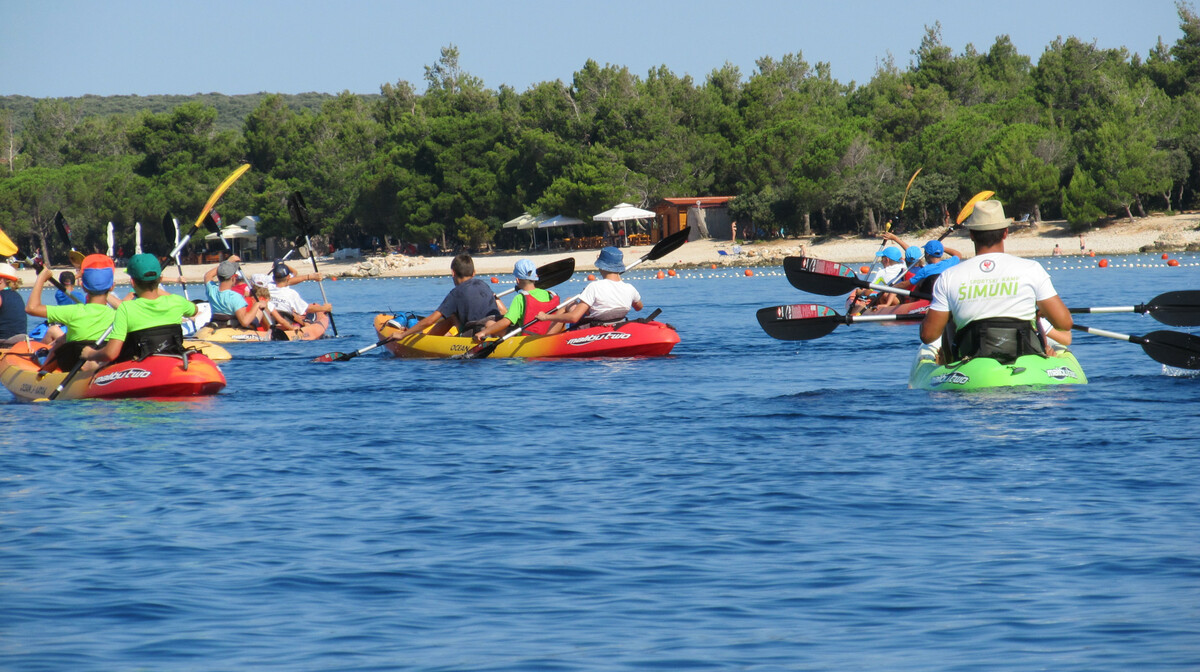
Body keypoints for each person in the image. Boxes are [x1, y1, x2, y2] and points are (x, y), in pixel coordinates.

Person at [919, 200, 1072, 363]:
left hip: (971, 360)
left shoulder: (949, 276)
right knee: (1035, 318)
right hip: (1025, 356)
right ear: (1005, 232)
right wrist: (1040, 314)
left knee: (949, 319)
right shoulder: (1031, 269)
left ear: (971, 235)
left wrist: (929, 317)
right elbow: (1064, 323)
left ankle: (947, 363)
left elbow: (928, 336)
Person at [85, 254, 199, 369]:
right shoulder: (176, 301)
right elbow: (194, 310)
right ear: (159, 279)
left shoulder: (126, 308)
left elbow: (111, 353)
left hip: (141, 366)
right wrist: (161, 292)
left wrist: (89, 353)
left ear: (132, 282)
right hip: (173, 360)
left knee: (92, 364)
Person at [25, 255, 116, 371]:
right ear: (112, 287)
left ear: (83, 286)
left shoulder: (73, 311)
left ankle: (44, 369)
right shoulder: (118, 315)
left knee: (63, 339)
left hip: (74, 364)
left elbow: (31, 308)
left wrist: (41, 278)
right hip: (103, 363)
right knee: (63, 338)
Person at [390, 254, 503, 339]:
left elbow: (430, 320)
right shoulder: (484, 284)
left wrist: (403, 335)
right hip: (496, 327)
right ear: (474, 273)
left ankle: (428, 339)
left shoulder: (456, 293)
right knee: (455, 316)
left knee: (450, 316)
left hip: (475, 334)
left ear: (453, 272)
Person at [538, 247, 643, 328]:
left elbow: (574, 318)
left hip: (596, 326)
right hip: (617, 322)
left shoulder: (594, 287)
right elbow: (639, 307)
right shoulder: (630, 288)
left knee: (568, 302)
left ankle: (548, 339)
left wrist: (546, 317)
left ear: (601, 266)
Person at [473, 259, 562, 342]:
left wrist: (483, 332)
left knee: (489, 323)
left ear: (517, 280)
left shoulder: (520, 298)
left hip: (526, 340)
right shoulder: (549, 294)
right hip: (549, 335)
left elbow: (506, 322)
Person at [204, 255, 270, 328]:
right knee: (260, 308)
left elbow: (208, 275)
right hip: (233, 328)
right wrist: (257, 305)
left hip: (217, 323)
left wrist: (228, 262)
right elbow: (245, 322)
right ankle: (269, 330)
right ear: (233, 278)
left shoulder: (212, 290)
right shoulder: (235, 297)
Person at [848, 247, 906, 315]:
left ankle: (881, 308)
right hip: (904, 299)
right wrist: (894, 238)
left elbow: (868, 292)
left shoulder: (882, 272)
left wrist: (860, 293)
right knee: (882, 293)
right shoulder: (904, 265)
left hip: (895, 301)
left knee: (882, 294)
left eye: (882, 259)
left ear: (886, 260)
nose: (881, 261)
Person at [0, 263, 27, 343]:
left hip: (4, 341)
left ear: (1, 280)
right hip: (21, 339)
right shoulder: (16, 295)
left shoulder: (1, 296)